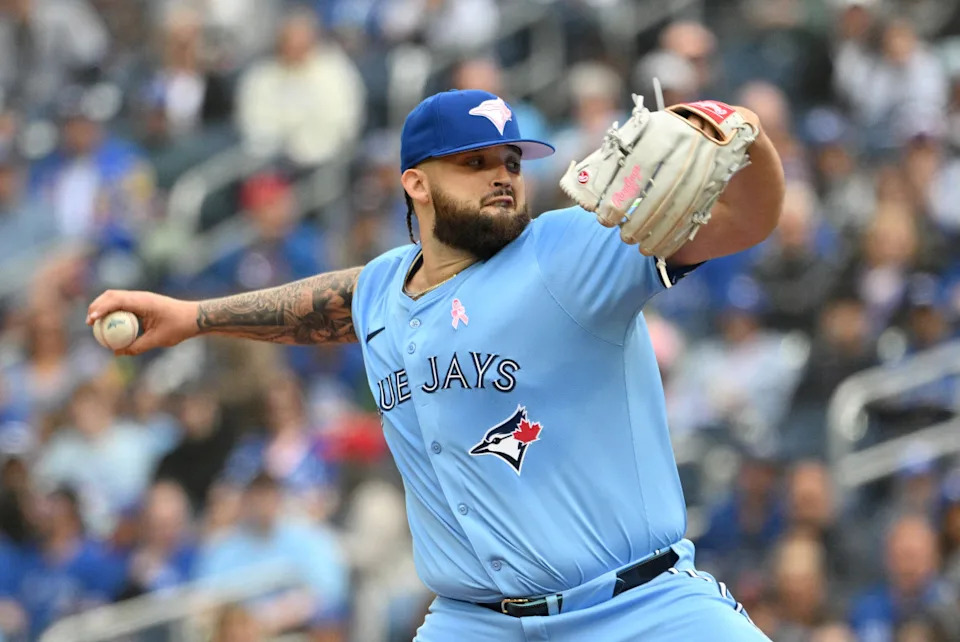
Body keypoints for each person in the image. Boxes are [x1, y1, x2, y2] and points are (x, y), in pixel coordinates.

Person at [88, 88, 784, 640]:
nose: (502, 178)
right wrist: (194, 317)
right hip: (475, 621)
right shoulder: (387, 286)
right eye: (475, 163)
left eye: (512, 162)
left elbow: (745, 223)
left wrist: (741, 132)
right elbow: (332, 302)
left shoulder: (570, 250)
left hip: (636, 609)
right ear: (416, 184)